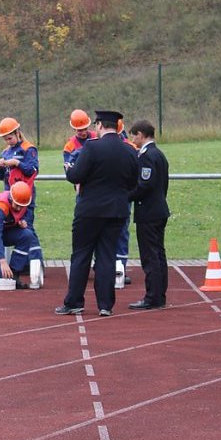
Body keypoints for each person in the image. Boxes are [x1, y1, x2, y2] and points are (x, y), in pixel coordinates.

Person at [55, 110, 138, 317]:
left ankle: (74, 301)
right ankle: (105, 304)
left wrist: (68, 169)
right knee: (107, 256)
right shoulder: (129, 150)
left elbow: (75, 176)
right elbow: (134, 182)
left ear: (99, 125)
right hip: (117, 210)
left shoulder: (92, 147)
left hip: (89, 210)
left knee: (81, 255)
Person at [127, 119, 170, 310]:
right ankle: (159, 294)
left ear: (141, 135)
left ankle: (152, 297)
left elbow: (145, 184)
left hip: (149, 212)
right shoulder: (159, 154)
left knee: (150, 255)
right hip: (159, 209)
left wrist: (126, 196)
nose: (133, 139)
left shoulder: (146, 156)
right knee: (159, 254)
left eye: (134, 135)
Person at [0, 117, 39, 227]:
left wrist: (17, 163)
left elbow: (32, 170)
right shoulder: (5, 152)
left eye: (10, 138)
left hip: (25, 193)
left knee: (26, 226)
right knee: (11, 226)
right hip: (9, 195)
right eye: (5, 139)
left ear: (17, 133)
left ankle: (32, 244)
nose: (8, 142)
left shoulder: (28, 149)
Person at [115, 117, 140, 287]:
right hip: (121, 197)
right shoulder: (131, 149)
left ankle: (119, 267)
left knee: (121, 233)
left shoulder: (131, 148)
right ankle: (110, 267)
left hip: (121, 197)